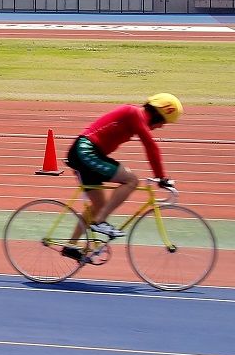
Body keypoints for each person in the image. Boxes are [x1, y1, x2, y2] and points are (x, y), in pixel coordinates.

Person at [65, 93, 182, 245]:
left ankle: (71, 245)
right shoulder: (133, 113)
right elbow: (151, 146)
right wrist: (161, 177)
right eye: (163, 122)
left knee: (99, 206)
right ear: (157, 115)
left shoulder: (135, 117)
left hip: (87, 153)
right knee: (131, 180)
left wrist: (160, 176)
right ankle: (100, 222)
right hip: (86, 151)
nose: (161, 126)